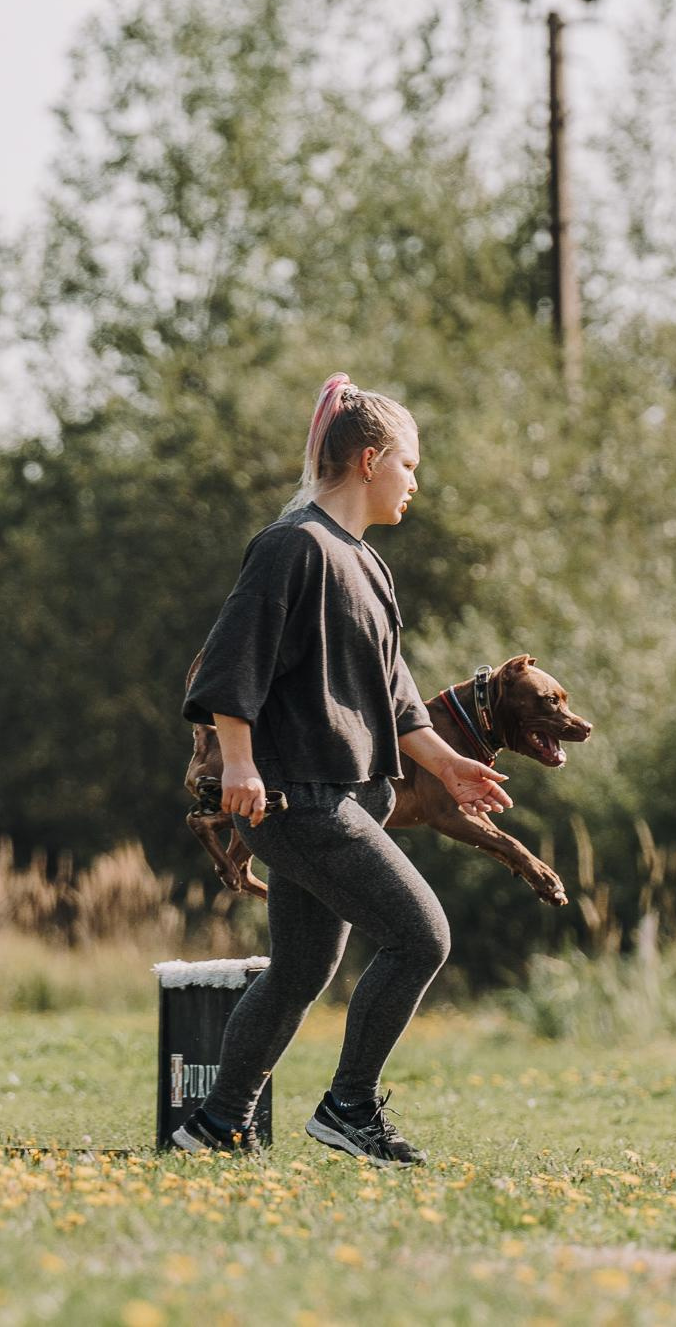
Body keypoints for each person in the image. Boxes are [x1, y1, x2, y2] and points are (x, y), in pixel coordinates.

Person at [173, 373, 511, 1168]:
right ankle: (349, 1106)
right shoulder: (292, 546)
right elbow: (230, 664)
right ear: (368, 460)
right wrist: (240, 765)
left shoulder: (366, 564)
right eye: (409, 465)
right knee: (420, 936)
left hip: (349, 795)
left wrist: (448, 765)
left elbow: (393, 693)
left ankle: (215, 1127)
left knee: (301, 970)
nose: (415, 482)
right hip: (298, 800)